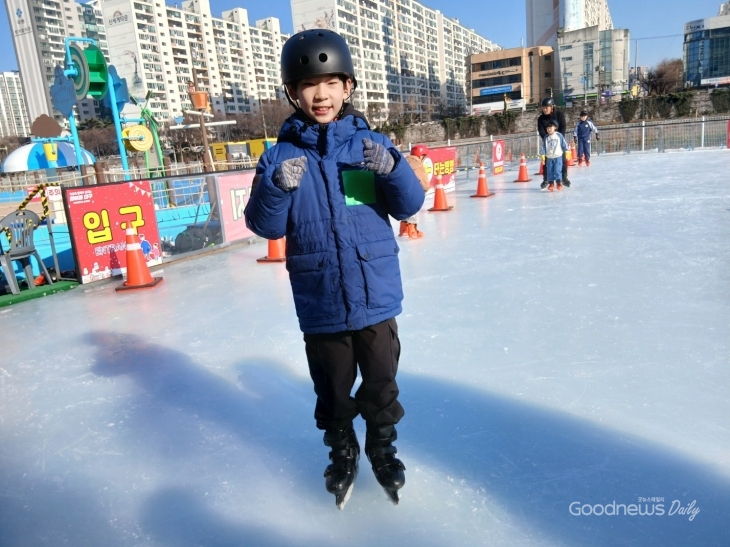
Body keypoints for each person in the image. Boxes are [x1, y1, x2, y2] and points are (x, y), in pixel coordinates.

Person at [244, 29, 425, 509]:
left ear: (348, 87)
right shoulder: (280, 156)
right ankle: (342, 450)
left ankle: (382, 448)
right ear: (292, 92)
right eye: (307, 84)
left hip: (375, 294)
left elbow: (409, 206)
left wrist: (393, 167)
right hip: (321, 298)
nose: (319, 94)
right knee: (333, 388)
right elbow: (265, 226)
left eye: (330, 83)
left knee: (382, 382)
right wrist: (276, 187)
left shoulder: (369, 146)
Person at [537, 97, 570, 187]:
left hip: (559, 141)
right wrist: (547, 138)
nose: (544, 109)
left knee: (562, 161)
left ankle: (564, 178)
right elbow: (541, 130)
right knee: (547, 163)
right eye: (543, 107)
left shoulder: (559, 114)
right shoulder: (541, 118)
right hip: (548, 142)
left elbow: (563, 126)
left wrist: (559, 137)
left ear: (552, 107)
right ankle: (546, 180)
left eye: (546, 107)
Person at [400, 144, 432, 238]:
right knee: (413, 211)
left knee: (405, 210)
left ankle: (403, 230)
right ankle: (412, 231)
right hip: (413, 192)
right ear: (421, 156)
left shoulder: (405, 161)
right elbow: (423, 181)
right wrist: (425, 189)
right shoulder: (417, 165)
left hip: (402, 191)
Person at [540, 119, 569, 192]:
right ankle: (551, 183)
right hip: (549, 158)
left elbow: (564, 144)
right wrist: (543, 156)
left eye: (550, 127)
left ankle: (559, 183)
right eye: (547, 128)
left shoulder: (559, 135)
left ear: (555, 127)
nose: (549, 129)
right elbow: (543, 147)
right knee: (550, 171)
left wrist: (567, 152)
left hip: (558, 157)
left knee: (557, 170)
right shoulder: (546, 137)